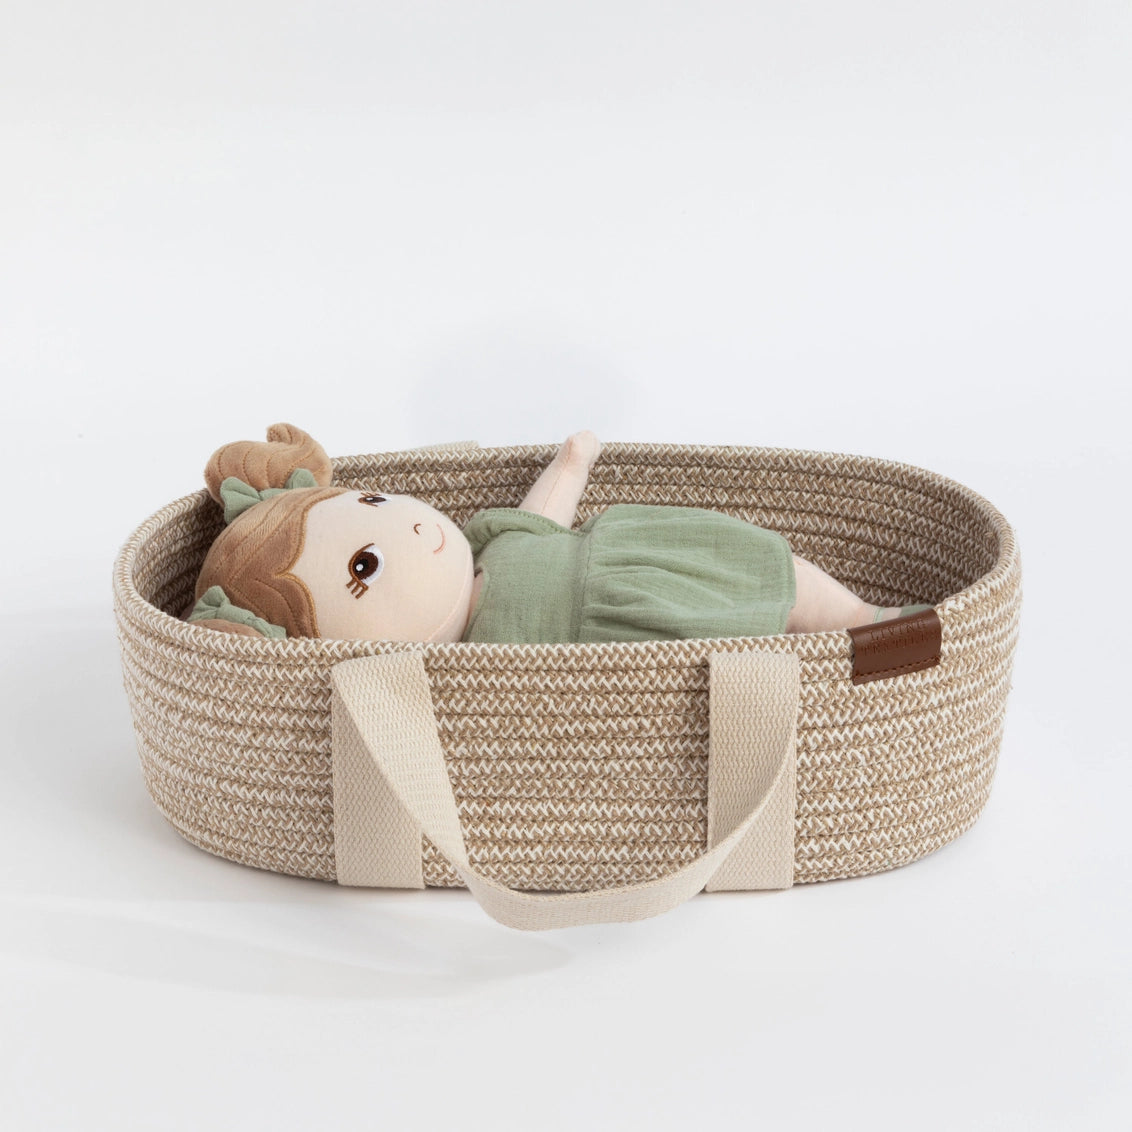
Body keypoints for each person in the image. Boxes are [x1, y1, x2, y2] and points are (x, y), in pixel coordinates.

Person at [188, 424, 928, 642]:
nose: (412, 522)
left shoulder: (488, 543)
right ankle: (838, 664)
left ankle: (867, 622)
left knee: (778, 571)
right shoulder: (465, 663)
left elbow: (541, 522)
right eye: (366, 565)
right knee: (755, 660)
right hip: (636, 632)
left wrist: (571, 465)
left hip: (643, 553)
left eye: (376, 501)